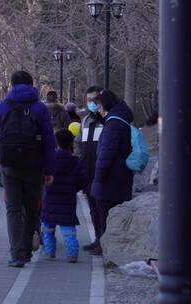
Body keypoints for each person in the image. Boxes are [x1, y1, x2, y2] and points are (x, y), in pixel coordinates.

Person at [0, 71, 55, 268]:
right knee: (32, 208)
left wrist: (0, 157)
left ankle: (17, 254)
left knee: (13, 209)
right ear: (32, 85)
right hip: (34, 166)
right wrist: (49, 170)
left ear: (11, 85)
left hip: (9, 166)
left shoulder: (1, 107)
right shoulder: (40, 108)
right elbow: (49, 142)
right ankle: (26, 249)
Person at [90, 89, 134, 255]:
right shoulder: (121, 120)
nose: (98, 109)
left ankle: (106, 247)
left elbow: (106, 154)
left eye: (99, 105)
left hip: (110, 178)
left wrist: (98, 178)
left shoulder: (113, 124)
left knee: (106, 215)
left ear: (106, 104)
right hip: (120, 176)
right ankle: (105, 244)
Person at [40, 129, 87, 263]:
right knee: (69, 230)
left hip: (50, 199)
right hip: (68, 200)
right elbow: (82, 180)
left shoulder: (49, 160)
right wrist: (73, 188)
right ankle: (72, 254)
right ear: (71, 143)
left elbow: (42, 177)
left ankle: (50, 253)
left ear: (56, 142)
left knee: (48, 229)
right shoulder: (75, 161)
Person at [74, 86, 104, 254]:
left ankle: (103, 240)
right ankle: (98, 238)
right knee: (93, 207)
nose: (91, 103)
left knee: (102, 206)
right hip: (87, 171)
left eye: (94, 100)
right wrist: (79, 159)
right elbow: (78, 142)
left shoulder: (107, 120)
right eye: (89, 100)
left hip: (101, 170)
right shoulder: (85, 120)